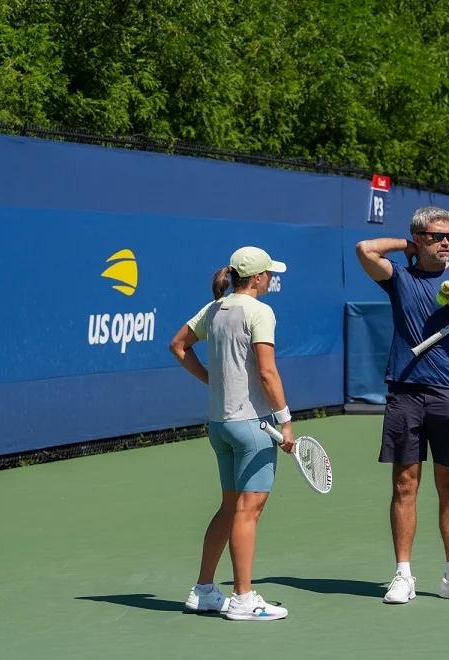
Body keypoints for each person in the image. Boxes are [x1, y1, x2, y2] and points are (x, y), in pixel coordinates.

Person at [355, 206, 449, 605]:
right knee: (405, 485)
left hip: (448, 395)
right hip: (404, 393)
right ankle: (403, 576)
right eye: (436, 236)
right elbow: (365, 249)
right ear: (419, 239)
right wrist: (408, 245)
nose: (446, 242)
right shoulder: (399, 276)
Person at [169, 246, 295, 621]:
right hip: (252, 426)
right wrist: (285, 421)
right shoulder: (260, 311)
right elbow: (267, 372)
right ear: (256, 278)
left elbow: (179, 346)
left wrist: (212, 381)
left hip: (219, 426)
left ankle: (204, 590)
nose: (271, 278)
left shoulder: (214, 310)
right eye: (268, 273)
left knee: (230, 507)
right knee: (248, 510)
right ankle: (242, 598)